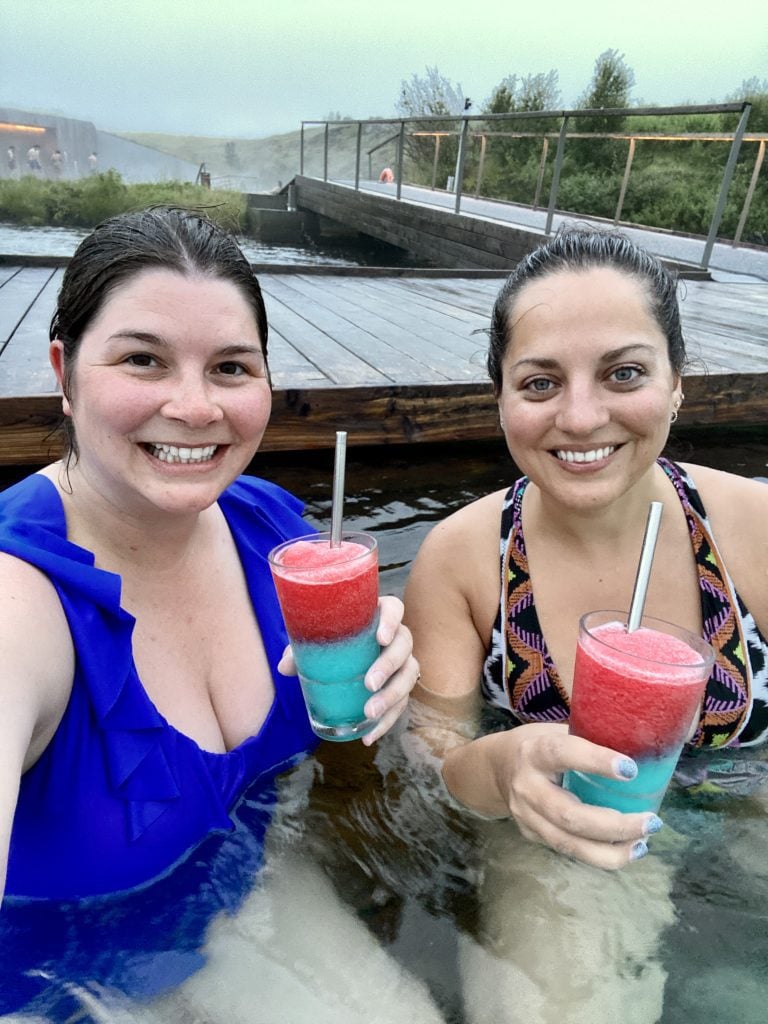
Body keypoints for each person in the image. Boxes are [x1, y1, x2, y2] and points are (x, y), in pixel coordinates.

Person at [0, 207, 432, 1020]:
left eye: (231, 368)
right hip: (57, 988)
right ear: (63, 373)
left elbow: (341, 750)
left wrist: (384, 681)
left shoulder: (273, 531)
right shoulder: (16, 604)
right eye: (143, 360)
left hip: (233, 905)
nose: (196, 408)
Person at [403, 227, 768, 1020]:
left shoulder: (754, 525)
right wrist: (506, 767)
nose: (580, 416)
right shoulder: (462, 562)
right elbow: (430, 777)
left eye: (624, 373)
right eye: (538, 384)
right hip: (557, 848)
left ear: (678, 382)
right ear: (499, 396)